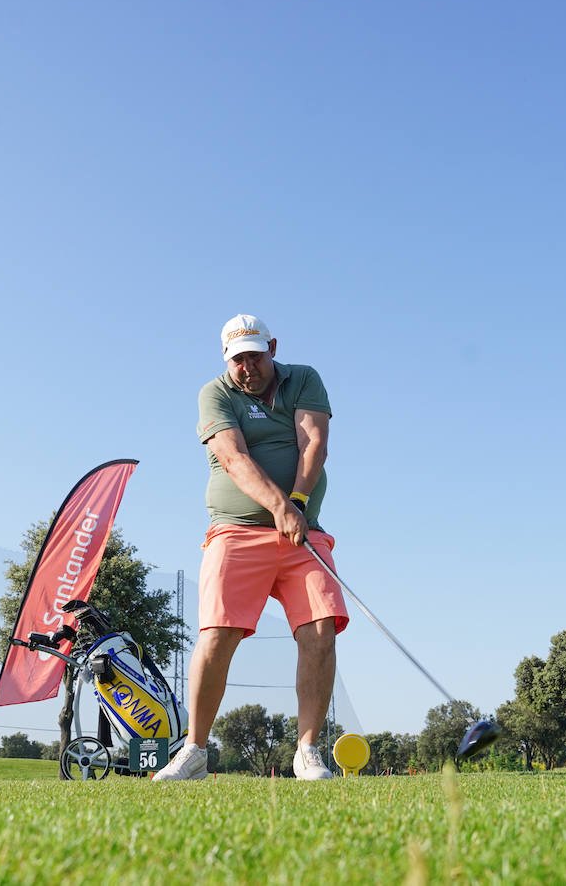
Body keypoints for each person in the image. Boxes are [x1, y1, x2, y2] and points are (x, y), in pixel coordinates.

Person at [155, 314, 349, 781]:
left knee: (320, 628)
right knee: (217, 633)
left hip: (303, 530)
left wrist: (296, 505)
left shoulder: (303, 379)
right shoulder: (215, 393)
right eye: (237, 359)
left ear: (273, 348)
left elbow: (314, 442)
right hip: (236, 531)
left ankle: (307, 752)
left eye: (255, 356)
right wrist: (280, 506)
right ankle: (195, 750)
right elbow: (234, 458)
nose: (247, 367)